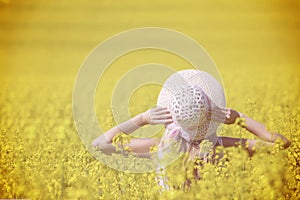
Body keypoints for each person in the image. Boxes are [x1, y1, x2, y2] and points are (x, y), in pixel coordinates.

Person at [92, 69, 291, 185]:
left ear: (170, 115)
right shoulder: (221, 147)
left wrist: (142, 118)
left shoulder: (158, 148)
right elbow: (281, 144)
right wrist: (240, 118)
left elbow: (99, 145)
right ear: (210, 117)